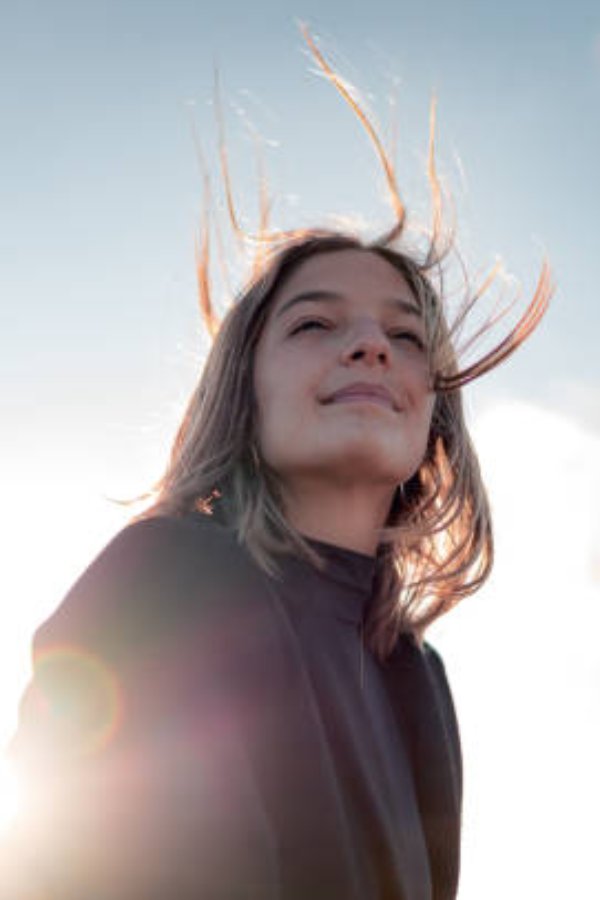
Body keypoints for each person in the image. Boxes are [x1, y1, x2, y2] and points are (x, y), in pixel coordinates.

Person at [2, 34, 551, 900]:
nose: (371, 345)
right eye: (314, 325)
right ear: (242, 393)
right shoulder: (168, 577)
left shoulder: (416, 674)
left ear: (434, 415)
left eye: (405, 337)